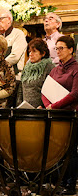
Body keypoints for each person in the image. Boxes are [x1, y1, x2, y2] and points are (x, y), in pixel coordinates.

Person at [41, 35, 78, 194]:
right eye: (56, 48)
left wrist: (54, 106)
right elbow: (44, 90)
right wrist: (47, 105)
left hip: (71, 115)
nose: (58, 51)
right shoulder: (55, 69)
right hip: (56, 115)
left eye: (61, 48)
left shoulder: (76, 68)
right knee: (58, 149)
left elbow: (75, 94)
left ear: (71, 50)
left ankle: (70, 185)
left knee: (71, 150)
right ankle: (58, 181)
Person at [16, 38, 54, 108]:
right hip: (25, 109)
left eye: (34, 51)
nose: (30, 54)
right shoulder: (26, 67)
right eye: (29, 51)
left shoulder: (49, 67)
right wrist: (19, 106)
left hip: (41, 110)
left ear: (43, 53)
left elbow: (50, 92)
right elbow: (21, 90)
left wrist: (43, 107)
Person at [0, 8, 27, 80]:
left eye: (0, 19)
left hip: (15, 76)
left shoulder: (18, 34)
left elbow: (15, 56)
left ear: (9, 20)